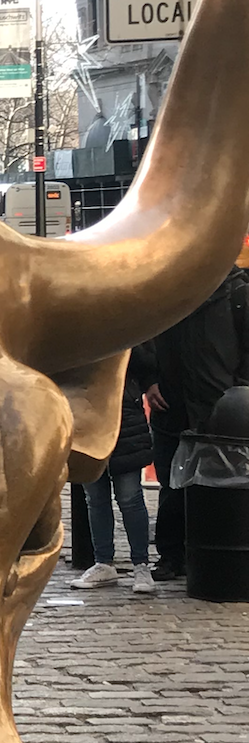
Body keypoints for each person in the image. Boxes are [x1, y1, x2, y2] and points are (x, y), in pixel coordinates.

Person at [133, 254, 249, 580]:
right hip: (172, 405)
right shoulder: (168, 294)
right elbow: (144, 339)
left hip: (222, 411)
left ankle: (220, 555)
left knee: (224, 487)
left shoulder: (237, 294)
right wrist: (149, 379)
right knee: (172, 486)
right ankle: (172, 556)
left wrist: (238, 392)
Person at [71, 370, 154, 593]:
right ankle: (103, 562)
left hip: (121, 411)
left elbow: (145, 356)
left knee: (130, 497)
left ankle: (141, 564)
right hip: (87, 410)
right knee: (96, 498)